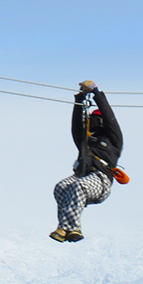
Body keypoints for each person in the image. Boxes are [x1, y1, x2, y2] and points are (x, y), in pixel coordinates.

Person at [50, 80, 123, 242]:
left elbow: (110, 118)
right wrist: (79, 100)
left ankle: (73, 227)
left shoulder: (113, 139)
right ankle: (64, 229)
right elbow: (76, 126)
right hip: (82, 175)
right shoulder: (86, 140)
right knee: (61, 187)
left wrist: (96, 93)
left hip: (100, 180)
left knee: (79, 186)